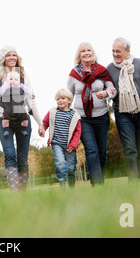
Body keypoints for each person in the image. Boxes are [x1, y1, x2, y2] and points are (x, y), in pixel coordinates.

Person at [0, 45, 44, 192]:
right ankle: (14, 192)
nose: (12, 57)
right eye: (8, 55)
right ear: (3, 59)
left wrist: (40, 123)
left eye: (14, 55)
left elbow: (31, 102)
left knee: (22, 158)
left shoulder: (24, 77)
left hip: (22, 120)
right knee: (10, 154)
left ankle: (22, 193)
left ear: (17, 58)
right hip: (4, 121)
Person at [67, 42, 116, 186]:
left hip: (101, 116)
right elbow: (68, 94)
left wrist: (106, 93)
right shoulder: (74, 74)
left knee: (101, 152)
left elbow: (113, 89)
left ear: (93, 53)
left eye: (89, 50)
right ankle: (97, 185)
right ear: (79, 55)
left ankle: (101, 180)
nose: (86, 53)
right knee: (91, 150)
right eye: (83, 51)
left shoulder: (102, 71)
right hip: (82, 118)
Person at [107, 37, 140, 182]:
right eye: (113, 51)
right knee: (129, 149)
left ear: (127, 51)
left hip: (139, 110)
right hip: (122, 112)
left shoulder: (138, 64)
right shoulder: (109, 69)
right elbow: (108, 90)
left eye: (118, 51)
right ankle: (133, 182)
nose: (115, 54)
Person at [41, 89, 81, 188]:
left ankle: (71, 189)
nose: (60, 101)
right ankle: (62, 186)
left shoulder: (74, 115)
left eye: (63, 98)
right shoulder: (52, 112)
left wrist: (73, 145)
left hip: (70, 146)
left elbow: (77, 132)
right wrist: (42, 129)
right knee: (60, 163)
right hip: (56, 143)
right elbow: (45, 123)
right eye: (58, 99)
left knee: (71, 168)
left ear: (69, 100)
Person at [0, 70, 35, 137]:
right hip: (8, 109)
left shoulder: (21, 86)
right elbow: (0, 91)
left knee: (25, 119)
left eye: (16, 79)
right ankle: (6, 130)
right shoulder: (5, 86)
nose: (13, 81)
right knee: (5, 120)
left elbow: (28, 90)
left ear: (19, 81)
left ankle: (23, 129)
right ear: (6, 81)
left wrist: (31, 95)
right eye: (10, 79)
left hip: (20, 109)